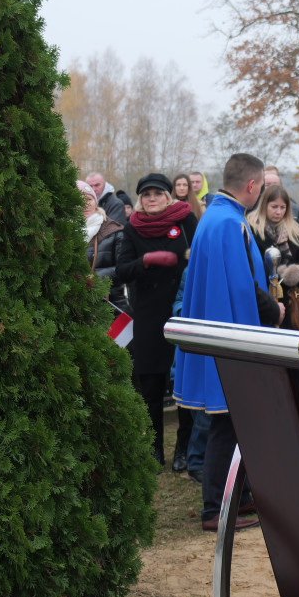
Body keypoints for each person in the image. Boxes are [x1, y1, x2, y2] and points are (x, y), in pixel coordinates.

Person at [173, 153, 283, 532]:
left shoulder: (213, 218)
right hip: (231, 336)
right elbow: (242, 288)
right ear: (252, 186)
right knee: (228, 422)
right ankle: (214, 510)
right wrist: (275, 313)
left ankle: (243, 494)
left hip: (221, 332)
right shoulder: (229, 224)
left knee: (239, 421)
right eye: (261, 187)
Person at [114, 173, 198, 469]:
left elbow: (198, 258)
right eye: (146, 194)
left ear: (168, 196)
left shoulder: (185, 221)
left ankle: (184, 450)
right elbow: (122, 270)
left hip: (181, 308)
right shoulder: (132, 227)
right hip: (148, 313)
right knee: (150, 383)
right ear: (140, 199)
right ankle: (154, 449)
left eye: (158, 193)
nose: (152, 199)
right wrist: (145, 262)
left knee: (183, 379)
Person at [247, 184, 299, 326]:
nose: (278, 212)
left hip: (291, 300)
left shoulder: (295, 230)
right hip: (263, 297)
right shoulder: (251, 228)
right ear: (265, 205)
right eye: (274, 207)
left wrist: (297, 271)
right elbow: (251, 263)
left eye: (282, 207)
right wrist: (275, 272)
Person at [78, 180, 126, 309]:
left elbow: (124, 269)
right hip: (76, 303)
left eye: (89, 199)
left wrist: (96, 277)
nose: (85, 204)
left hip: (110, 306)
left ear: (95, 202)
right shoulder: (64, 231)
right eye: (79, 200)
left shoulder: (113, 231)